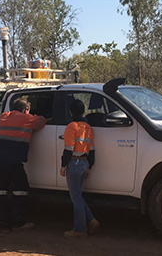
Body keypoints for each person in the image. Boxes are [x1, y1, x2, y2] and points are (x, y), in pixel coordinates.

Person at [0, 97, 46, 233]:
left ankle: (4, 225)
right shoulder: (27, 119)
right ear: (26, 110)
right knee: (20, 190)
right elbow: (42, 121)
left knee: (0, 192)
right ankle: (18, 223)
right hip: (12, 162)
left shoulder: (3, 116)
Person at [60, 99, 99, 238]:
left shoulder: (72, 127)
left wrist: (63, 165)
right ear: (83, 111)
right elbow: (92, 150)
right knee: (78, 196)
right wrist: (90, 166)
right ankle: (91, 220)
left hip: (74, 164)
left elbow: (68, 149)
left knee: (75, 197)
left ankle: (80, 229)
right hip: (84, 164)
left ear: (70, 112)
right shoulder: (88, 127)